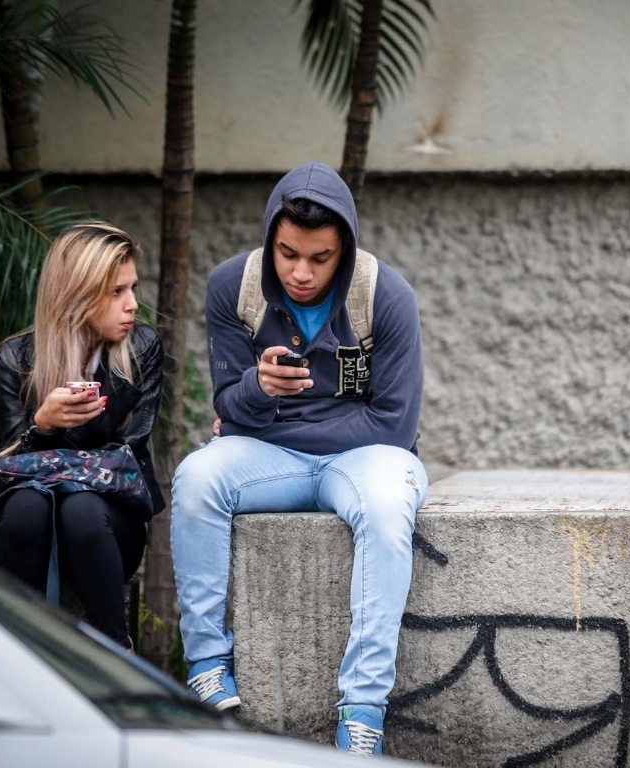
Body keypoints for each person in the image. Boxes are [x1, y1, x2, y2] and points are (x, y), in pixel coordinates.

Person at [171, 161, 427, 755]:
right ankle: (207, 664)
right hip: (275, 457)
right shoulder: (232, 286)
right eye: (287, 254)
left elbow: (393, 425)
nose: (301, 272)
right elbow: (227, 401)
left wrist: (258, 418)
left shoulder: (384, 295)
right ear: (270, 240)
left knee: (389, 509)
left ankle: (362, 711)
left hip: (368, 462)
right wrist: (258, 393)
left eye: (320, 257)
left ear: (345, 249)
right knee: (197, 476)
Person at [0, 221, 164, 651]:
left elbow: (129, 456)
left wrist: (74, 436)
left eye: (132, 288)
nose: (133, 305)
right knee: (27, 505)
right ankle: (9, 647)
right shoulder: (16, 358)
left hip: (109, 523)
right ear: (77, 295)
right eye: (116, 292)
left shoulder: (141, 350)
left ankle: (114, 648)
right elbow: (5, 470)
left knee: (82, 508)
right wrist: (42, 426)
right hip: (36, 522)